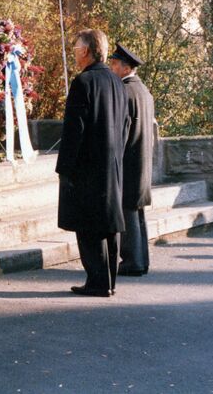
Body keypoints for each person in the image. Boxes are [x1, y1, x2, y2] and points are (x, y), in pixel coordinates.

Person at [56, 29, 129, 297]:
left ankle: (97, 280)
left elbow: (74, 130)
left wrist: (65, 168)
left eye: (76, 48)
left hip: (87, 165)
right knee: (108, 222)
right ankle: (109, 280)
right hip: (112, 163)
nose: (74, 52)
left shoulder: (83, 82)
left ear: (86, 51)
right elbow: (125, 124)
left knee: (88, 224)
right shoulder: (117, 81)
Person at [108, 43, 155, 277]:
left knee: (128, 210)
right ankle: (141, 259)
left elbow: (121, 130)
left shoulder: (124, 92)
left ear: (125, 68)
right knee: (137, 211)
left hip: (129, 158)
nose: (112, 69)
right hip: (142, 156)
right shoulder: (143, 91)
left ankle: (132, 261)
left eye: (114, 65)